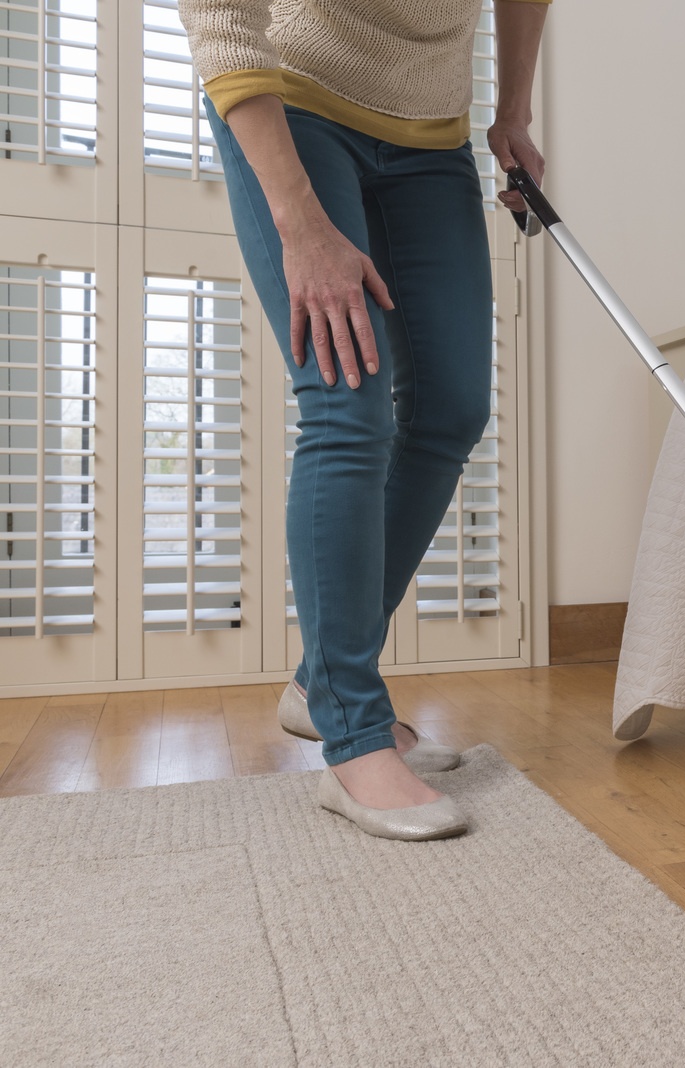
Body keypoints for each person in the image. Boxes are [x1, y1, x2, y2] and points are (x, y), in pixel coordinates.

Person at [178, 0, 550, 840]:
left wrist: (513, 112)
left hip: (431, 134)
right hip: (292, 104)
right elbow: (220, 16)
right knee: (348, 404)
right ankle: (352, 728)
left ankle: (319, 684)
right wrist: (302, 226)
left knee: (452, 409)